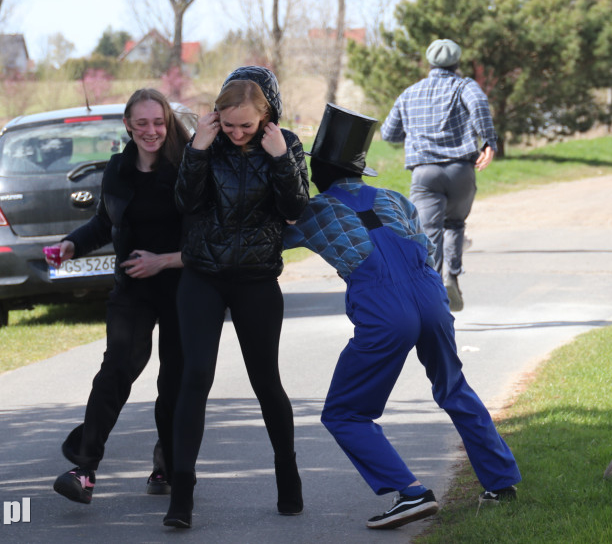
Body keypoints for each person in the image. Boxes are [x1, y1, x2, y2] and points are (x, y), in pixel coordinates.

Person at [284, 104, 521, 530]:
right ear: (361, 172)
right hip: (430, 297)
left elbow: (263, 241)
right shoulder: (395, 199)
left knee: (344, 412)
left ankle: (410, 493)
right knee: (453, 387)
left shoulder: (313, 213)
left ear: (318, 173)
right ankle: (502, 483)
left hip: (383, 309)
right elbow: (425, 252)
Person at [165, 66, 309, 529]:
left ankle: (288, 478)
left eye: (247, 125)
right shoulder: (206, 143)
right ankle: (181, 495)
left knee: (266, 381)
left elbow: (295, 210)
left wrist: (282, 158)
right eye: (229, 125)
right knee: (196, 377)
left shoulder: (284, 143)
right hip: (203, 277)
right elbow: (185, 205)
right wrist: (198, 150)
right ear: (217, 118)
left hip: (256, 280)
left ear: (266, 116)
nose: (238, 133)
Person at [50, 88, 190, 505]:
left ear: (168, 122)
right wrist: (71, 244)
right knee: (117, 369)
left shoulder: (187, 169)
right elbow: (104, 221)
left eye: (158, 122)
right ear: (127, 125)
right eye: (141, 123)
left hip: (185, 288)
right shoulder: (118, 169)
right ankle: (84, 467)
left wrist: (162, 261)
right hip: (133, 287)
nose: (151, 131)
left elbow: (207, 240)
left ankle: (167, 463)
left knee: (175, 381)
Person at [381, 38, 498, 312]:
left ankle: (432, 290)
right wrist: (489, 141)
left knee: (428, 232)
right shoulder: (464, 87)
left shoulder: (410, 93)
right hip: (460, 169)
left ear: (429, 62)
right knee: (455, 224)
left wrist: (414, 128)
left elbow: (389, 134)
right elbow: (479, 105)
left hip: (425, 173)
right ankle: (452, 277)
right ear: (457, 63)